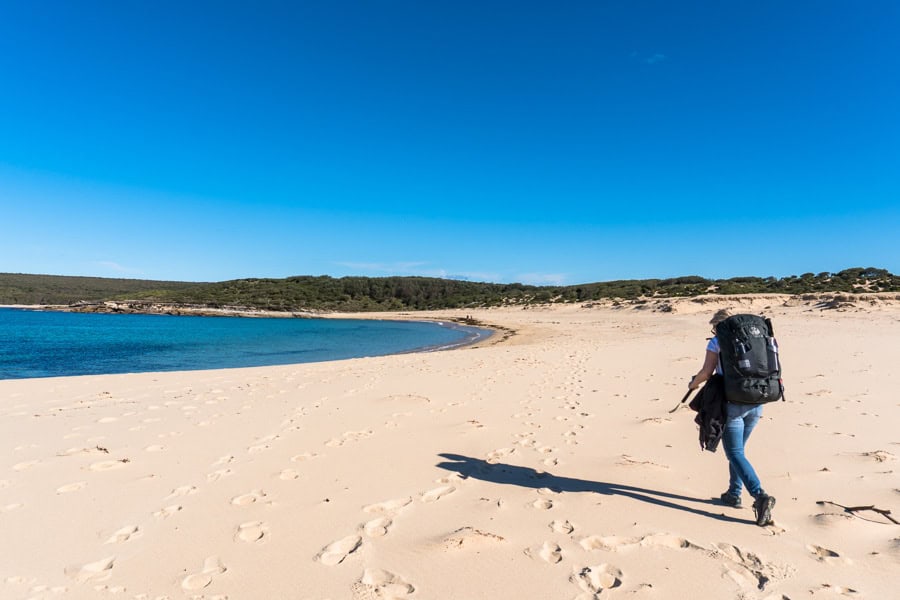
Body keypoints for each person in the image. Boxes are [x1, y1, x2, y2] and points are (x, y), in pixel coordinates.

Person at [688, 308, 776, 527]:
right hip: (758, 400)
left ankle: (760, 496)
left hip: (733, 402)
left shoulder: (717, 341)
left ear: (719, 326)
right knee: (739, 452)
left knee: (735, 452)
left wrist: (693, 384)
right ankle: (733, 493)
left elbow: (707, 372)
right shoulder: (760, 336)